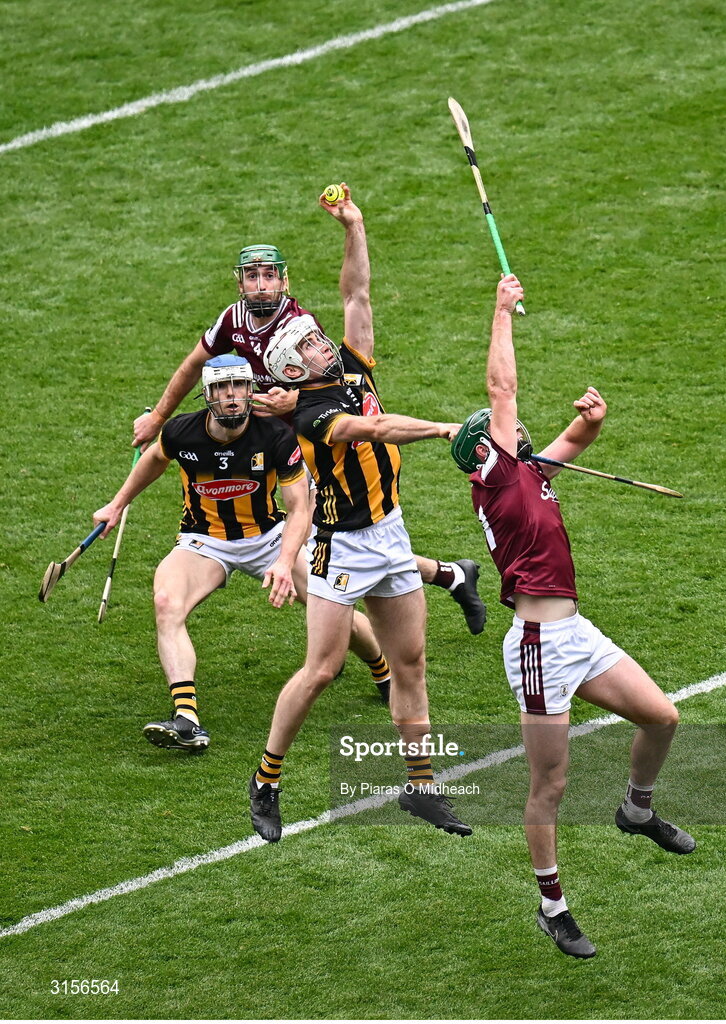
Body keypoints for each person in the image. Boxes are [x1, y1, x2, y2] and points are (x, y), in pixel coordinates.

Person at [451, 273, 695, 960]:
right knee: (549, 786)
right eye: (507, 432)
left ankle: (636, 810)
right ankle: (552, 906)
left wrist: (592, 417)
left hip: (575, 634)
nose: (519, 431)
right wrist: (501, 310)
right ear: (483, 450)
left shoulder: (526, 472)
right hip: (537, 645)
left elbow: (575, 438)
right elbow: (502, 390)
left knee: (662, 716)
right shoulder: (496, 478)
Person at [130, 212, 487, 636]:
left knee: (334, 537)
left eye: (268, 276)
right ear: (239, 282)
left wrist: (291, 399)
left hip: (314, 441)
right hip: (286, 440)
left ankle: (359, 645)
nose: (260, 285)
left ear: (284, 281)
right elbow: (194, 365)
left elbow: (324, 385)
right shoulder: (233, 320)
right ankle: (449, 577)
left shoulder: (298, 330)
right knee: (338, 537)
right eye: (251, 277)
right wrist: (157, 415)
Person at [248, 184, 472, 842]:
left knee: (411, 665)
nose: (326, 342)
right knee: (321, 670)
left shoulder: (348, 365)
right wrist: (438, 429)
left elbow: (356, 294)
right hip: (340, 546)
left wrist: (355, 225)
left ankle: (422, 786)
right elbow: (373, 433)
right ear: (295, 368)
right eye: (313, 344)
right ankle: (266, 778)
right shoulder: (315, 414)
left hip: (389, 531)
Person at [94, 354, 396, 751]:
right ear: (207, 394)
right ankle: (187, 719)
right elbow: (153, 460)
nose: (232, 396)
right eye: (222, 388)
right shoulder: (182, 432)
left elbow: (301, 508)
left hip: (269, 536)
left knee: (333, 606)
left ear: (249, 390)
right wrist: (116, 504)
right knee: (167, 601)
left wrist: (286, 563)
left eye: (238, 386)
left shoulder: (274, 435)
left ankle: (383, 673)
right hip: (204, 541)